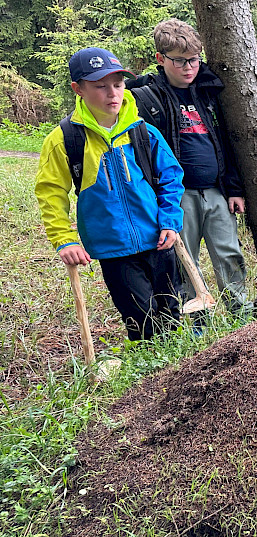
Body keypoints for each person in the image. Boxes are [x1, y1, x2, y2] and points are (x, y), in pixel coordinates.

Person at [35, 47, 185, 341]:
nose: (112, 94)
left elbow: (171, 177)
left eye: (118, 84)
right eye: (100, 86)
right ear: (77, 89)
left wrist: (170, 220)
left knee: (172, 314)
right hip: (114, 248)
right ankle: (149, 379)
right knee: (143, 324)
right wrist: (64, 239)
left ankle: (177, 376)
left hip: (158, 239)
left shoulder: (143, 132)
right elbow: (50, 192)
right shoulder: (65, 139)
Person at [127, 18, 251, 313]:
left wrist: (234, 188)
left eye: (194, 60)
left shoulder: (209, 90)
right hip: (178, 194)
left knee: (229, 253)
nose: (189, 68)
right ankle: (195, 315)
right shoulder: (148, 96)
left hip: (217, 190)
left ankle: (240, 311)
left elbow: (227, 141)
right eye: (180, 61)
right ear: (161, 59)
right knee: (184, 259)